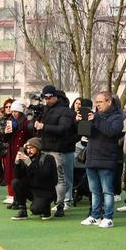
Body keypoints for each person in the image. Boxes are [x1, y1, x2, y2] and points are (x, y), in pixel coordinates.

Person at [82, 90, 125, 228]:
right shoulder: (95, 116)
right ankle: (95, 216)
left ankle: (108, 217)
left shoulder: (118, 117)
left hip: (107, 158)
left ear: (109, 101)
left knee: (107, 191)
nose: (98, 105)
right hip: (91, 156)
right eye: (97, 102)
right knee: (94, 190)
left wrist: (95, 119)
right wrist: (81, 122)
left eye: (100, 102)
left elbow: (111, 132)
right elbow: (85, 134)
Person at [35, 85, 76, 218]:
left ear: (56, 96)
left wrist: (44, 126)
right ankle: (47, 202)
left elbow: (63, 129)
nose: (46, 100)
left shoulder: (65, 111)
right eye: (44, 97)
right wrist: (35, 124)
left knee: (60, 178)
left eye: (49, 97)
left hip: (58, 149)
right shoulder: (45, 109)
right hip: (45, 147)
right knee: (45, 177)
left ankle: (61, 204)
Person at [9, 137, 58, 220]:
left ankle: (46, 209)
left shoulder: (48, 158)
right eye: (27, 148)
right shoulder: (27, 159)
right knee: (16, 182)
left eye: (31, 148)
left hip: (45, 191)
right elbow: (18, 176)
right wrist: (17, 162)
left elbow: (43, 176)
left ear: (38, 148)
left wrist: (29, 163)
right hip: (32, 189)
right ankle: (22, 210)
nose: (28, 151)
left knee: (35, 210)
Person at [2, 100, 29, 207]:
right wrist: (6, 133)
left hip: (22, 151)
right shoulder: (10, 122)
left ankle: (20, 200)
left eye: (16, 111)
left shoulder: (26, 123)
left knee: (20, 176)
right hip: (12, 151)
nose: (14, 113)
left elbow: (29, 137)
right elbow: (5, 140)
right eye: (12, 111)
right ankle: (15, 199)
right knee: (11, 175)